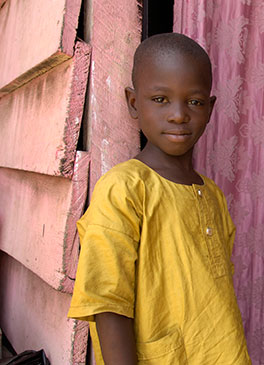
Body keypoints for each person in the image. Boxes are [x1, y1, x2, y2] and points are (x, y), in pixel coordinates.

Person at [68, 33, 251, 365]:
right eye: (160, 99)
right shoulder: (124, 189)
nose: (179, 115)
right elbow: (108, 302)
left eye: (194, 101)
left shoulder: (212, 196)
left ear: (210, 109)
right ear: (134, 103)